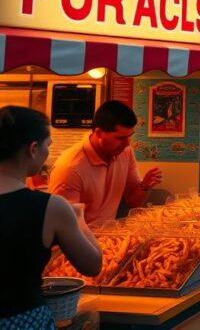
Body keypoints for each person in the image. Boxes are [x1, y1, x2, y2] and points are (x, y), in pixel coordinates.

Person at [0, 107, 102, 329]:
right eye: (47, 146)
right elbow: (93, 264)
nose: (48, 153)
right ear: (33, 149)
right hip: (23, 321)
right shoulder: (50, 207)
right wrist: (79, 218)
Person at [49, 100, 162, 224]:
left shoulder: (126, 152)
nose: (127, 143)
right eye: (120, 138)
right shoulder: (70, 168)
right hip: (81, 240)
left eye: (129, 136)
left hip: (109, 235)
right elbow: (64, 225)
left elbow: (133, 202)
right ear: (99, 133)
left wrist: (145, 186)